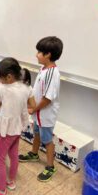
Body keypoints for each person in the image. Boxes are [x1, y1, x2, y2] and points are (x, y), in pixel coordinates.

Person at [0, 58, 36, 195]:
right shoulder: (26, 87)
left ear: (9, 76)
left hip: (7, 130)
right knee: (13, 154)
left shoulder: (3, 88)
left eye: (0, 77)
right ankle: (11, 181)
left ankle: (1, 192)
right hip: (18, 127)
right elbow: (32, 105)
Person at [19, 36, 63, 182]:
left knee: (47, 140)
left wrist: (34, 109)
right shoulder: (43, 69)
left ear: (48, 54)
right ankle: (34, 153)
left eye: (39, 52)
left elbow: (47, 98)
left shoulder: (52, 73)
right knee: (36, 133)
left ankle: (50, 166)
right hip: (39, 113)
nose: (36, 55)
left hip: (45, 114)